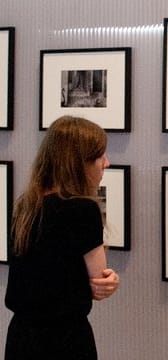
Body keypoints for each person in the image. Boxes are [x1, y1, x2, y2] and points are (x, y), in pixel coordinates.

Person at [4, 115, 120, 360]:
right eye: (100, 157)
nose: (106, 164)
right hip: (65, 340)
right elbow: (99, 284)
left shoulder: (26, 206)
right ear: (80, 163)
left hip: (21, 338)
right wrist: (111, 281)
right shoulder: (83, 210)